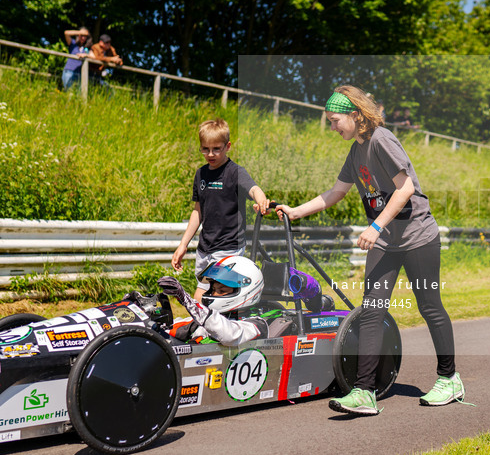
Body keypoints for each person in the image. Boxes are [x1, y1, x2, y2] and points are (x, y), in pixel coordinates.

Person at [276, 85, 464, 415]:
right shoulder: (355, 153)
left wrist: (375, 227)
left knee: (429, 307)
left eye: (335, 121)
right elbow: (335, 192)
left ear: (355, 115)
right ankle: (364, 391)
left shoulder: (382, 140)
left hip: (418, 237)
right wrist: (295, 211)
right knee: (372, 310)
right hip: (386, 244)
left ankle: (449, 379)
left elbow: (405, 188)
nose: (332, 127)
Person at [172, 118, 270, 305]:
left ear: (228, 146)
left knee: (214, 294)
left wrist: (261, 201)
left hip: (228, 246)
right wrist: (183, 244)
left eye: (216, 149)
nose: (210, 154)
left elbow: (254, 189)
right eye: (205, 149)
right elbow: (197, 212)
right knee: (204, 290)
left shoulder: (235, 172)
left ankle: (210, 327)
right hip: (205, 247)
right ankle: (203, 328)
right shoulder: (201, 174)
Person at [158, 256, 267, 345]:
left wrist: (187, 301)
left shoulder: (256, 324)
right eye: (213, 289)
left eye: (222, 290)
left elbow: (229, 334)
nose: (214, 294)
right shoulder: (214, 319)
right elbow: (176, 328)